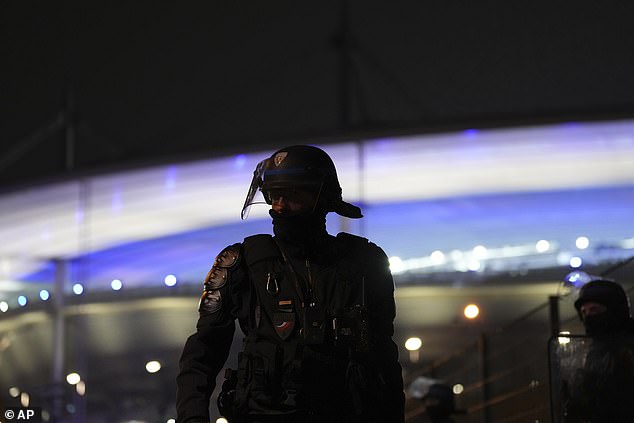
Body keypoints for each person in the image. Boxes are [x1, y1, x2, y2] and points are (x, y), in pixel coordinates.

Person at [176, 145, 405, 423]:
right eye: (274, 195)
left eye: (292, 195)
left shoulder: (364, 263)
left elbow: (384, 359)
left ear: (321, 197)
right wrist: (192, 417)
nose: (280, 206)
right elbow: (202, 352)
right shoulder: (242, 263)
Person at [563, 279, 634, 422]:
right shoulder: (596, 348)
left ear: (614, 310)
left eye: (594, 310)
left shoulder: (627, 347)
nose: (588, 317)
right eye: (584, 312)